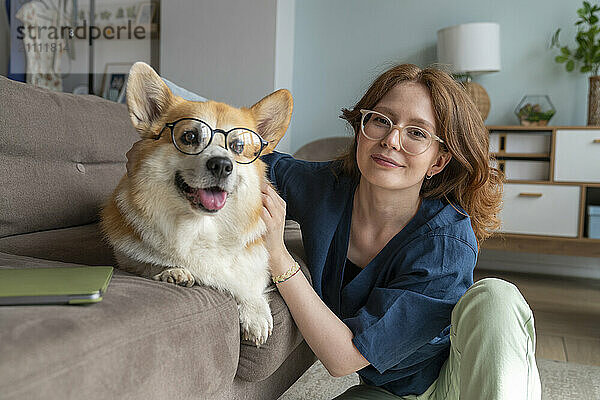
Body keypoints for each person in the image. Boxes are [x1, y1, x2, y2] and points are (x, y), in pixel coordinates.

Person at [126, 64, 541, 400]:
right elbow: (249, 147)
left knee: (496, 297)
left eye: (416, 133)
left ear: (437, 161)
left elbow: (343, 360)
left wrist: (278, 257)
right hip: (387, 393)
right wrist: (162, 132)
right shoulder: (325, 186)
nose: (391, 140)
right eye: (381, 121)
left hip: (462, 384)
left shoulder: (446, 243)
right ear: (361, 129)